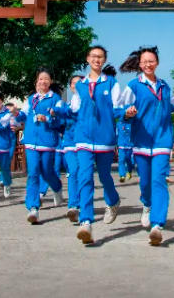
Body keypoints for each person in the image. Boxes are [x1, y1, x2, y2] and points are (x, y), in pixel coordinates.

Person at [119, 46, 174, 246]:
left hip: (162, 140)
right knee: (145, 183)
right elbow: (121, 108)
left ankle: (157, 225)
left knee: (159, 180)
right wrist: (127, 112)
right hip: (141, 141)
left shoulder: (164, 86)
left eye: (151, 61)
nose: (148, 64)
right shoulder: (133, 86)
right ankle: (147, 205)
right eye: (144, 61)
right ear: (140, 64)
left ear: (157, 63)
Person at [69, 46, 125, 245]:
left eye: (100, 57)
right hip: (83, 138)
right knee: (85, 177)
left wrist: (127, 113)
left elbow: (118, 108)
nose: (96, 59)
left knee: (104, 176)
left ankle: (113, 200)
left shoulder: (111, 83)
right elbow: (74, 109)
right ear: (87, 59)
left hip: (104, 139)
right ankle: (86, 222)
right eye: (93, 56)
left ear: (104, 60)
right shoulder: (80, 86)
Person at [19, 68, 67, 224]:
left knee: (47, 171)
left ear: (50, 82)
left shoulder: (55, 99)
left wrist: (48, 118)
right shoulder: (31, 99)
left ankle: (57, 187)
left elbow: (61, 120)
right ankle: (33, 208)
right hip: (31, 141)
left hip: (47, 141)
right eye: (40, 79)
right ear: (36, 82)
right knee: (33, 173)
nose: (43, 81)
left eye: (46, 79)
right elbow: (22, 115)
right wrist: (14, 113)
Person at [59, 75, 83, 223]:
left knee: (83, 174)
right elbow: (59, 123)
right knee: (73, 171)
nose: (76, 85)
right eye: (73, 83)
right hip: (69, 143)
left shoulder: (89, 104)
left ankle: (82, 204)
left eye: (79, 83)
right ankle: (73, 206)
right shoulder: (66, 106)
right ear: (70, 86)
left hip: (85, 144)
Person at [117, 111, 135, 182]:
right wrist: (115, 144)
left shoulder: (132, 123)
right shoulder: (119, 123)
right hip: (121, 145)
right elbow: (116, 134)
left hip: (130, 146)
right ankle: (122, 175)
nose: (126, 116)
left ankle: (129, 171)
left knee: (129, 161)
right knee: (121, 160)